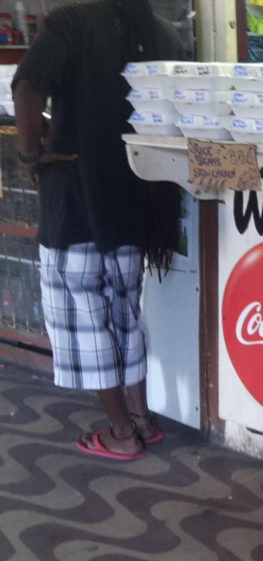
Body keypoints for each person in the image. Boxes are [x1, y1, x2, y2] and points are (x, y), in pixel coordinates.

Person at [12, 0, 183, 460]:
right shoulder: (163, 32)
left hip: (77, 196)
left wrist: (31, 155)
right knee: (124, 310)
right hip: (136, 194)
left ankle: (121, 433)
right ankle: (142, 418)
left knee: (85, 316)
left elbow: (26, 87)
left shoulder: (70, 24)